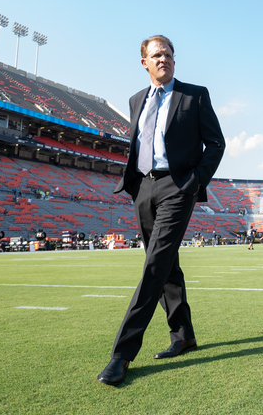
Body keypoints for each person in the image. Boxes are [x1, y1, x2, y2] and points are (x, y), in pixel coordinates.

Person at [98, 35, 225, 387]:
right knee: (167, 265)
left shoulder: (194, 95)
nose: (164, 59)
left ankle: (122, 354)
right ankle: (183, 334)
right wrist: (137, 184)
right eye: (157, 55)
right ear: (144, 63)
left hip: (177, 186)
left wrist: (196, 180)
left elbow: (216, 142)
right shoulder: (136, 99)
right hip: (142, 187)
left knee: (154, 265)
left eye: (168, 54)